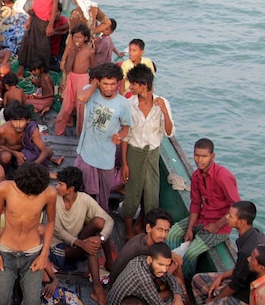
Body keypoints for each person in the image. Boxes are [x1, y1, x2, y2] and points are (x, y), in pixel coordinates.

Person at [0, 162, 57, 305]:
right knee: (2, 302)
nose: (30, 197)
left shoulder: (49, 194)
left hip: (33, 253)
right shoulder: (4, 188)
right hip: (5, 251)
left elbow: (50, 222)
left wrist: (44, 254)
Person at [186, 201, 265, 305]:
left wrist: (214, 300)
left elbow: (236, 284)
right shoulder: (254, 235)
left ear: (241, 222)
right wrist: (222, 276)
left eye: (230, 216)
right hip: (240, 281)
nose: (227, 218)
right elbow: (240, 270)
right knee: (198, 280)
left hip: (245, 295)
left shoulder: (248, 251)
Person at [164, 138, 241, 278]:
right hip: (202, 217)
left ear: (212, 156)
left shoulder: (223, 176)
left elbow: (236, 206)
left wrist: (217, 225)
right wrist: (189, 229)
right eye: (196, 155)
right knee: (172, 234)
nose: (199, 160)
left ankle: (184, 278)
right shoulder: (197, 176)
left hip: (220, 225)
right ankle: (169, 267)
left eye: (204, 156)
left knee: (191, 253)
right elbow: (195, 203)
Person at [120, 64, 175, 237]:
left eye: (133, 84)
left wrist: (164, 112)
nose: (130, 87)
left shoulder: (162, 103)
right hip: (134, 153)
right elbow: (125, 137)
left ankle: (144, 228)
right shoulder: (129, 104)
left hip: (152, 155)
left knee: (151, 195)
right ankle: (129, 232)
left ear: (143, 85)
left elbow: (169, 132)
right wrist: (124, 163)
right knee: (132, 195)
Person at [50, 166, 113, 305]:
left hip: (79, 242)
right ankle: (97, 288)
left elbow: (109, 220)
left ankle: (109, 265)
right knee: (90, 245)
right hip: (59, 249)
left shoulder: (84, 199)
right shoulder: (53, 199)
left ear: (71, 189)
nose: (56, 187)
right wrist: (81, 243)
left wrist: (100, 238)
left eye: (60, 184)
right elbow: (58, 231)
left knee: (99, 224)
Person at [75, 62, 133, 212]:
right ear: (98, 82)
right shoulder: (90, 91)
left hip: (106, 157)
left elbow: (126, 128)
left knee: (102, 196)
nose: (109, 88)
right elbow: (81, 98)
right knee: (82, 190)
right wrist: (94, 85)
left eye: (112, 84)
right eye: (105, 83)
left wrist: (119, 136)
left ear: (118, 83)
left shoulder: (123, 104)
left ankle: (100, 219)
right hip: (86, 152)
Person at [110, 208, 182, 285]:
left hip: (138, 279)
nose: (163, 235)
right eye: (160, 230)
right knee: (177, 276)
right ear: (148, 228)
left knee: (176, 262)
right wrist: (174, 264)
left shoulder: (144, 238)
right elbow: (157, 281)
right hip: (124, 285)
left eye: (166, 231)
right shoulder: (141, 251)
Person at [17, 0, 59, 75]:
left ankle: (41, 71)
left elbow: (55, 5)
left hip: (45, 19)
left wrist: (50, 24)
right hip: (35, 16)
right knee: (27, 42)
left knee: (42, 46)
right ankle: (22, 67)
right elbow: (34, 1)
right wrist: (29, 18)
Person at [0, 101, 62, 175]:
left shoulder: (32, 129)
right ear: (10, 120)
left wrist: (33, 165)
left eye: (22, 121)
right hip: (9, 152)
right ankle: (6, 173)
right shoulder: (2, 130)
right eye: (15, 121)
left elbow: (44, 150)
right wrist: (15, 153)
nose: (18, 125)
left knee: (49, 151)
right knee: (6, 157)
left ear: (28, 121)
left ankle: (49, 160)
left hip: (25, 153)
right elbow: (0, 145)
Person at [55, 24, 95, 136]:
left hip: (83, 79)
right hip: (71, 77)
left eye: (80, 37)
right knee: (67, 104)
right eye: (75, 37)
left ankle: (81, 134)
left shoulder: (90, 51)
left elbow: (93, 67)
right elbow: (67, 68)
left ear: (85, 38)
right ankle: (59, 130)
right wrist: (71, 54)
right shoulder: (71, 48)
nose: (77, 39)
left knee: (81, 107)